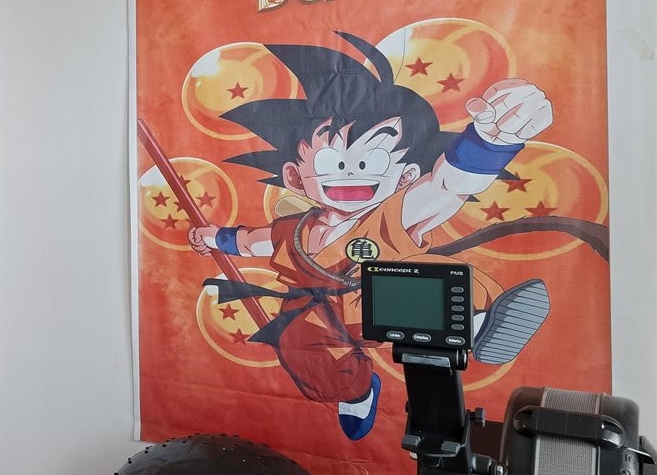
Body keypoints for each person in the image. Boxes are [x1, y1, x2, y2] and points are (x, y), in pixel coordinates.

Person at [186, 32, 550, 439]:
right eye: (330, 161)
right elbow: (256, 241)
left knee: (420, 273)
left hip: (385, 306)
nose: (351, 172)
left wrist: (490, 140)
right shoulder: (295, 230)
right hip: (315, 314)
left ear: (406, 175)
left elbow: (448, 186)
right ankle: (356, 391)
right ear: (295, 176)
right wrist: (217, 238)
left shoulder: (395, 212)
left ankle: (481, 320)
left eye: (373, 159)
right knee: (297, 350)